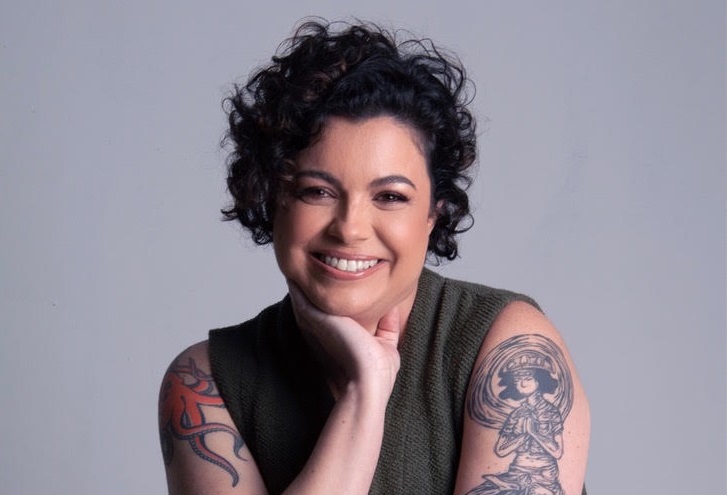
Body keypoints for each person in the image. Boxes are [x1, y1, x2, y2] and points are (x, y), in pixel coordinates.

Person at [158, 19, 589, 495]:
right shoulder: (205, 383)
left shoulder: (510, 349)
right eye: (317, 191)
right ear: (271, 198)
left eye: (390, 197)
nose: (350, 228)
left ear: (434, 213)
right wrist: (365, 395)